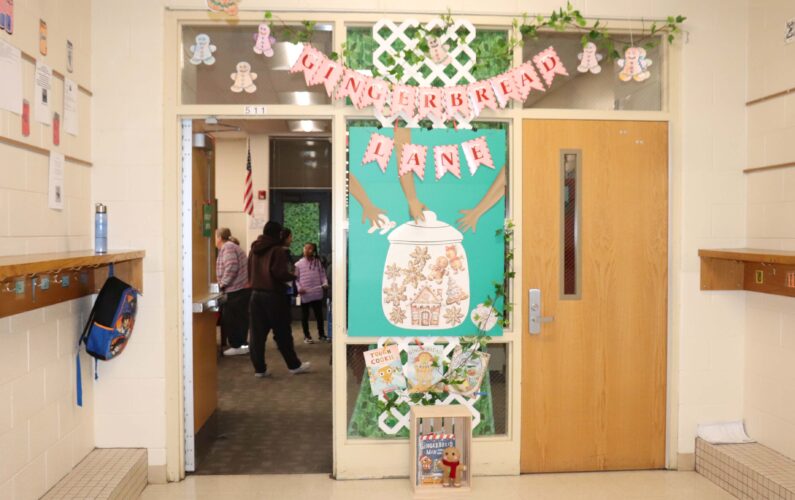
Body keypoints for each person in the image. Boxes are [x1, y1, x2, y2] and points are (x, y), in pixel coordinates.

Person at [248, 221, 311, 377]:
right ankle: (294, 365)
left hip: (255, 295)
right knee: (282, 332)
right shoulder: (277, 250)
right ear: (277, 234)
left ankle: (259, 369)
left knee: (257, 335)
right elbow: (279, 273)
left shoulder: (254, 249)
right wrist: (293, 275)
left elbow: (249, 271)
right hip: (274, 296)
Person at [215, 227, 251, 356]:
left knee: (233, 319)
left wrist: (222, 284)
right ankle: (241, 345)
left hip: (237, 290)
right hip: (240, 289)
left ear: (219, 237)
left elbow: (231, 267)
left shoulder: (228, 247)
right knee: (239, 319)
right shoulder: (230, 247)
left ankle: (238, 345)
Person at [295, 242, 329, 343]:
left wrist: (325, 283)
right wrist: (299, 288)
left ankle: (321, 335)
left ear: (313, 251)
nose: (306, 250)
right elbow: (295, 279)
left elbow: (323, 275)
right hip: (305, 295)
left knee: (319, 316)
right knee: (304, 316)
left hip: (317, 293)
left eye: (310, 248)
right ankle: (307, 336)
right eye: (305, 248)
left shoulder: (317, 262)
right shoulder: (297, 264)